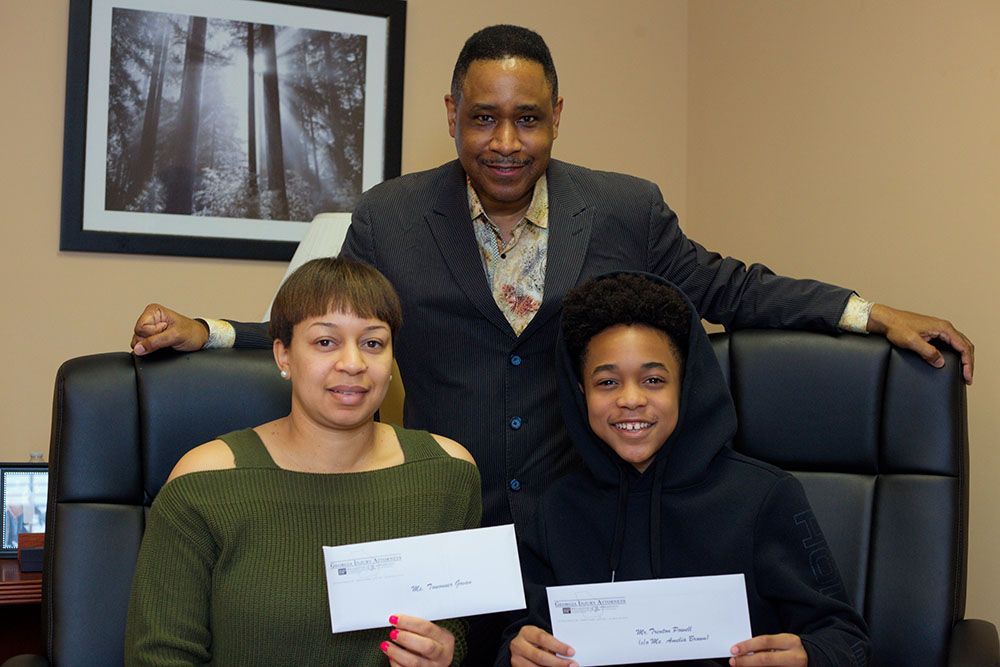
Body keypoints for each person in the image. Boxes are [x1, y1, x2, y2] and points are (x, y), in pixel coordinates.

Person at [130, 23, 972, 552]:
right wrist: (207, 332)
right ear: (452, 111)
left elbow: (728, 286)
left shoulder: (623, 209)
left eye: (527, 118)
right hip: (443, 526)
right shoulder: (391, 213)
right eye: (483, 118)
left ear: (557, 115)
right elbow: (327, 321)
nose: (505, 141)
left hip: (588, 525)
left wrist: (870, 312)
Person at [501, 272, 870, 667]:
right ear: (581, 394)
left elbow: (848, 641)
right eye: (607, 382)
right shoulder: (556, 508)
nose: (630, 399)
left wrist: (809, 656)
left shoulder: (765, 496)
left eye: (654, 379)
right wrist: (518, 655)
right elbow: (520, 639)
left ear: (686, 386)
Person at [124, 257, 481, 666]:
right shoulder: (202, 482)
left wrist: (441, 655)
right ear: (283, 356)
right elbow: (159, 657)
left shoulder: (448, 474)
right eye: (325, 342)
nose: (353, 363)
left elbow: (452, 632)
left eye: (372, 343)